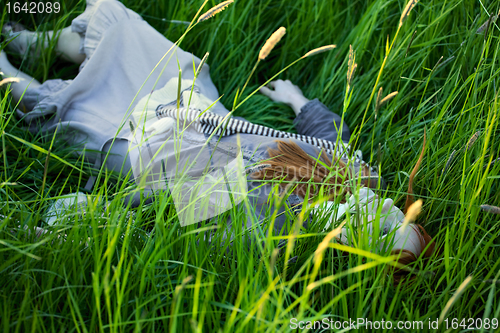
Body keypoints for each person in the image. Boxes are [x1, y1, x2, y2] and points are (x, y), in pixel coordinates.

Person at [1, 0, 434, 279]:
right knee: (129, 36)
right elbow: (331, 135)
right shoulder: (356, 177)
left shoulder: (279, 232)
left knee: (62, 113)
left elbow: (176, 205)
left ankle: (7, 68)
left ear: (352, 244)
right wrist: (298, 101)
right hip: (205, 117)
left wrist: (108, 209)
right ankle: (31, 41)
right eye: (396, 218)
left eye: (378, 231)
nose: (378, 212)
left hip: (156, 151)